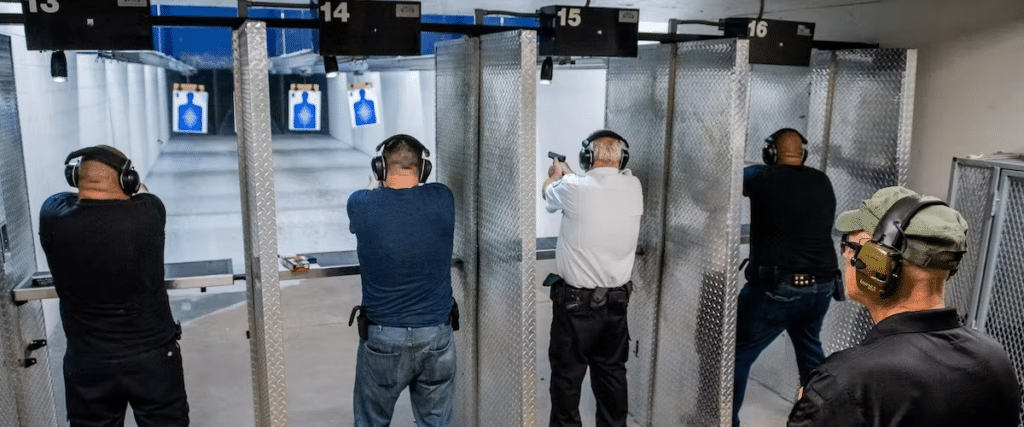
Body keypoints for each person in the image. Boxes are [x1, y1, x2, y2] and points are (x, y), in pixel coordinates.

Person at [787, 186, 1022, 426]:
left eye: (850, 245)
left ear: (876, 263)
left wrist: (818, 405)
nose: (846, 254)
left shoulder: (845, 383)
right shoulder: (994, 358)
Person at [39, 145, 189, 426]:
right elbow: (142, 192)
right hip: (152, 358)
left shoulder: (52, 216)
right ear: (127, 180)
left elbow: (64, 198)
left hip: (88, 361)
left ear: (75, 178)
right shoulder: (149, 214)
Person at [346, 134, 457, 427]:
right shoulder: (443, 198)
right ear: (423, 169)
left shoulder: (360, 203)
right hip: (436, 336)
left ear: (380, 167)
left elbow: (361, 218)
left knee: (371, 421)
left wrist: (374, 185)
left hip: (384, 337)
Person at [734, 128, 839, 427]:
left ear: (770, 153)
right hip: (821, 288)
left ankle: (725, 422)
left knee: (737, 355)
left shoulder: (760, 177)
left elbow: (723, 183)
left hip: (777, 290)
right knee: (810, 356)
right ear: (803, 153)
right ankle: (821, 420)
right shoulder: (821, 180)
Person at [542, 130, 643, 427]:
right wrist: (570, 176)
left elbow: (548, 193)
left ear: (587, 157)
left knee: (567, 381)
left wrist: (555, 174)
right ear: (622, 158)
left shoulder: (573, 188)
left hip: (575, 308)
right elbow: (591, 187)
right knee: (612, 376)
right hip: (615, 305)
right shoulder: (632, 185)